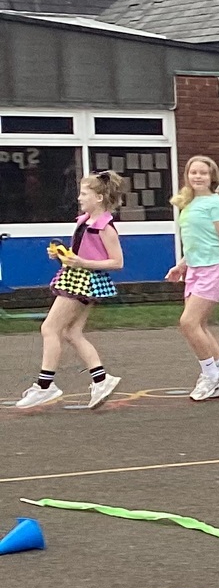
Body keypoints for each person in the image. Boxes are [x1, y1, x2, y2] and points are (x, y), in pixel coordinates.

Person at [16, 169, 126, 411]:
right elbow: (80, 254)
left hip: (83, 281)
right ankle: (102, 379)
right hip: (77, 277)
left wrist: (81, 262)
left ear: (99, 198)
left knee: (50, 328)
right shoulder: (84, 221)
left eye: (84, 193)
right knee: (71, 332)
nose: (79, 198)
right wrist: (62, 255)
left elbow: (117, 262)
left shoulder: (105, 227)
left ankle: (45, 386)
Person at [165, 154, 219, 401]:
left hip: (215, 268)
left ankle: (211, 375)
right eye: (193, 172)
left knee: (188, 323)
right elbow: (196, 241)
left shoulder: (217, 205)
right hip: (196, 269)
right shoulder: (189, 204)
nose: (197, 176)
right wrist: (181, 266)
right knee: (199, 325)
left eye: (203, 173)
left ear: (212, 177)